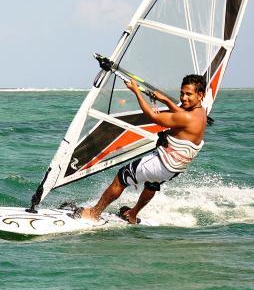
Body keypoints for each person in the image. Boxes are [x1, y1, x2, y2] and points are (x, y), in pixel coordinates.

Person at [77, 74, 208, 224]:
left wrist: (136, 91)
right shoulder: (200, 113)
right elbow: (181, 112)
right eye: (182, 93)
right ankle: (132, 214)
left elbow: (152, 116)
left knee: (122, 177)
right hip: (174, 169)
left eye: (189, 94)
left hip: (161, 164)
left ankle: (94, 213)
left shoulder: (187, 118)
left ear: (200, 94)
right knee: (152, 183)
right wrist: (164, 100)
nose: (184, 98)